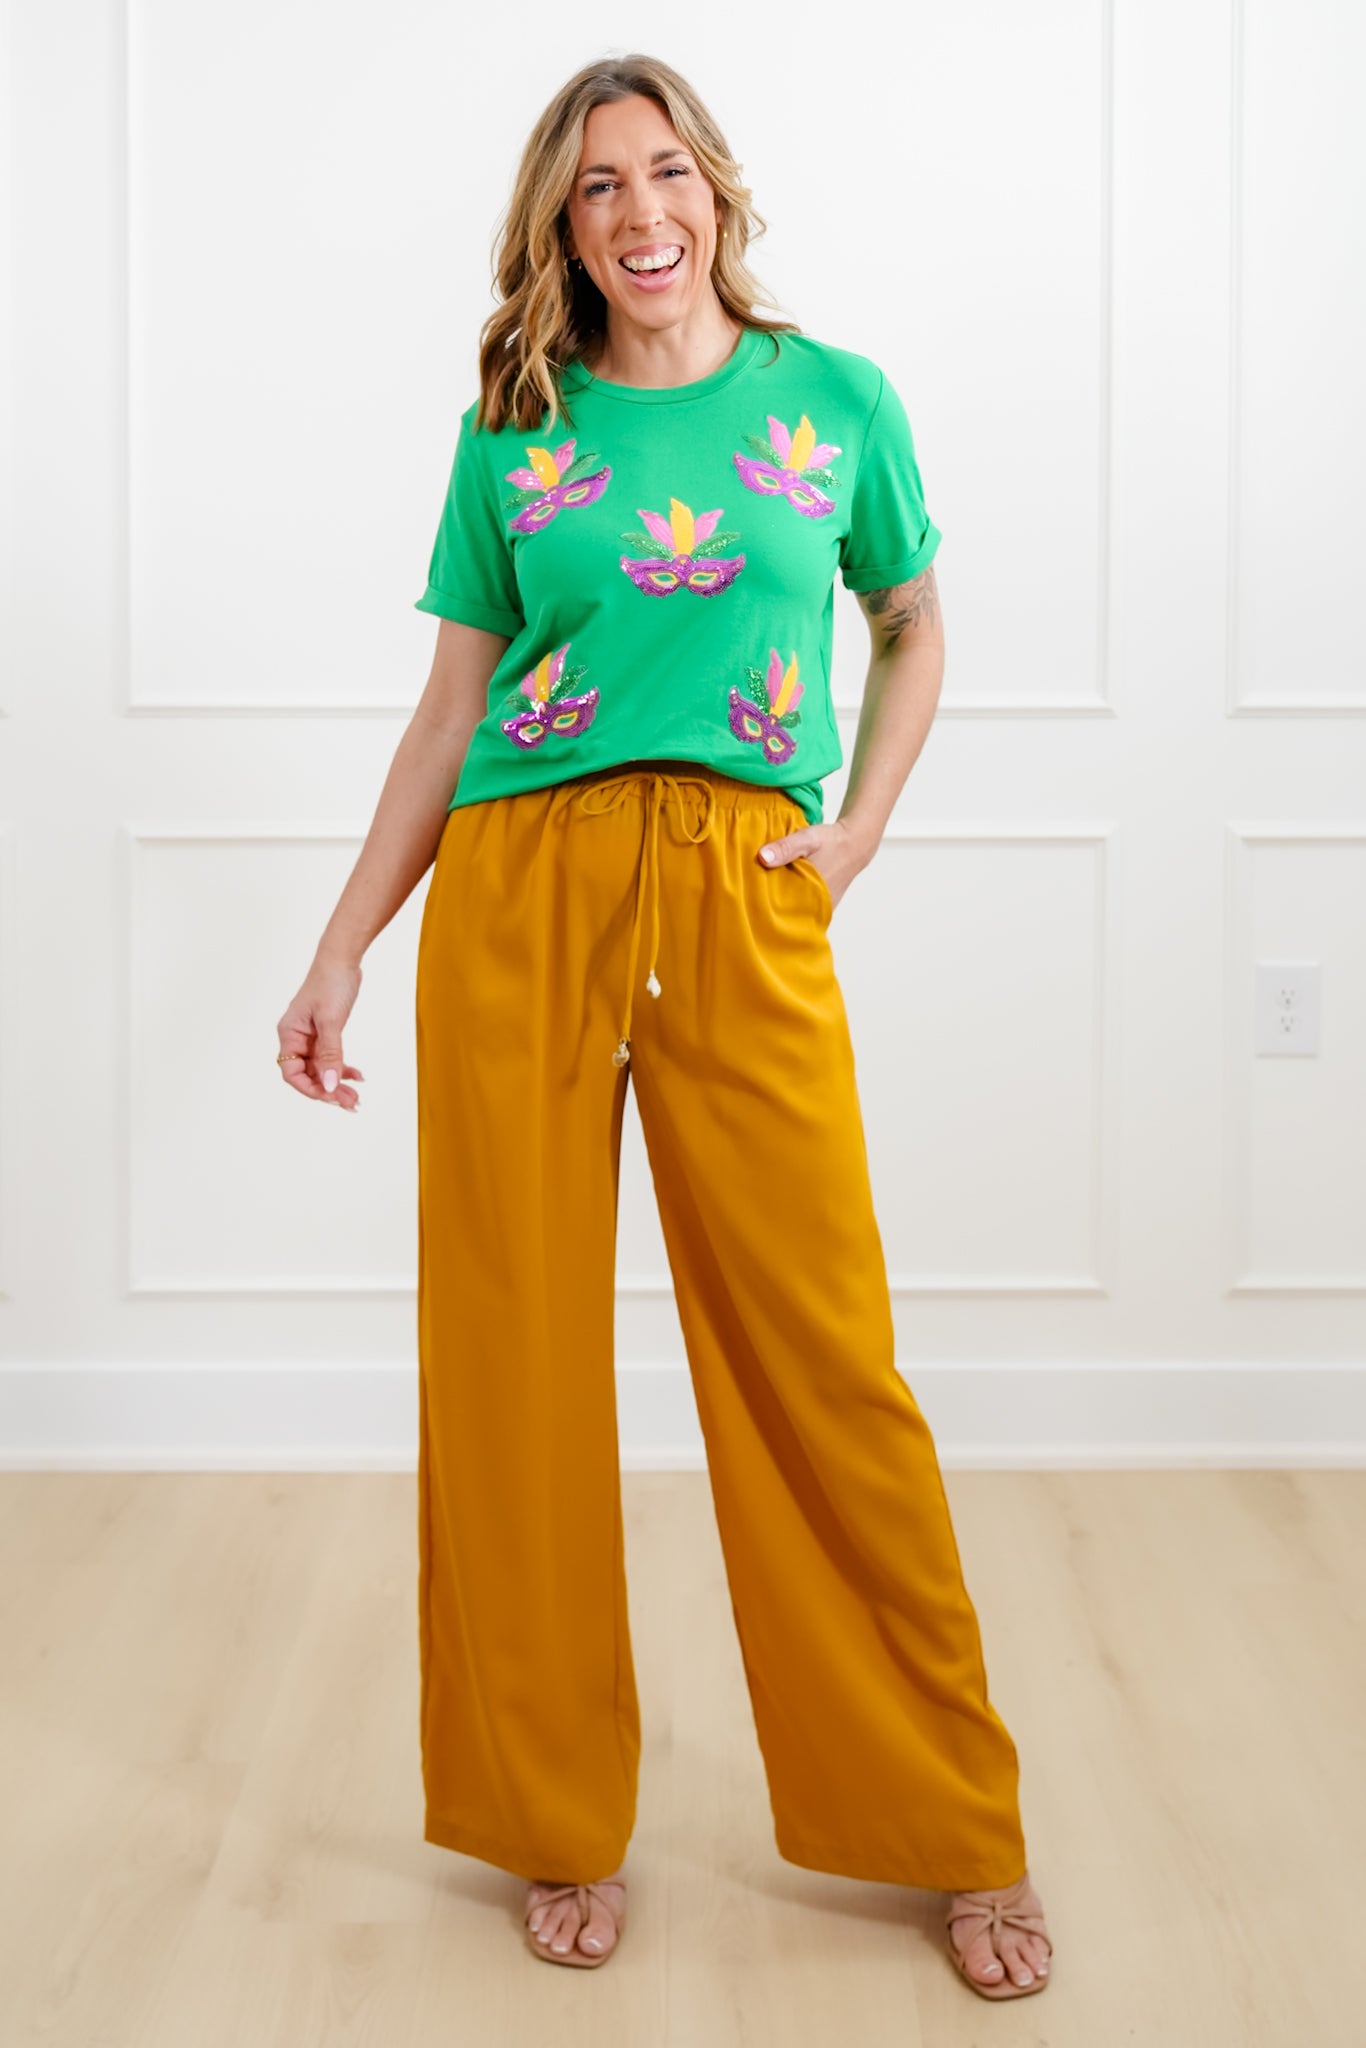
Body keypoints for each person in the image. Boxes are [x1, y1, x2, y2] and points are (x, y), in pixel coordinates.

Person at [276, 52, 1054, 2002]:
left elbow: (912, 620)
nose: (639, 214)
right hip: (521, 888)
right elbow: (448, 712)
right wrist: (343, 946)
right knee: (513, 1362)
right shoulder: (513, 431)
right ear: (561, 226)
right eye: (597, 187)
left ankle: (949, 1821)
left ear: (715, 189)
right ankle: (551, 1815)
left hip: (738, 883)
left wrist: (856, 829)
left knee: (820, 1357)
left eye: (664, 173)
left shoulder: (832, 401)